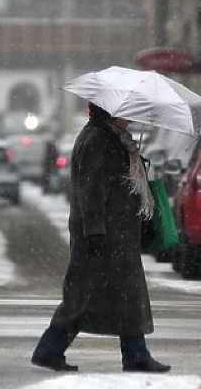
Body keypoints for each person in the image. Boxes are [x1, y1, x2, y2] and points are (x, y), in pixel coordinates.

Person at [31, 102, 170, 373]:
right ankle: (50, 349)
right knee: (82, 297)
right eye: (126, 111)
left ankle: (135, 354)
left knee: (126, 295)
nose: (130, 116)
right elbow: (90, 189)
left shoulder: (113, 138)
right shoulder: (97, 139)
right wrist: (95, 232)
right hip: (104, 234)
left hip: (118, 234)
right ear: (110, 112)